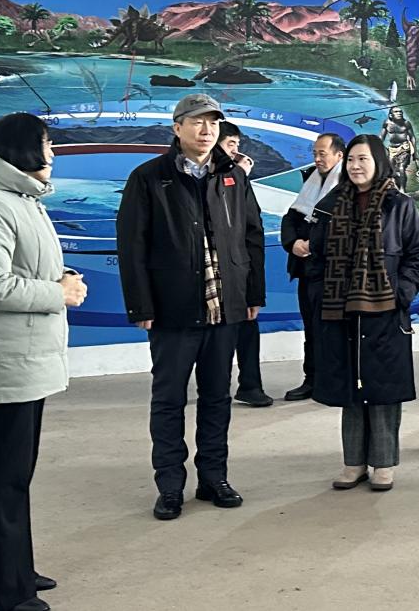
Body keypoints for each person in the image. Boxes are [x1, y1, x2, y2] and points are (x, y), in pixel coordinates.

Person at [117, 94, 266, 521]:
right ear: (177, 127)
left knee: (217, 397)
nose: (206, 130)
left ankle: (214, 478)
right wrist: (140, 305)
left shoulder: (233, 176)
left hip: (225, 308)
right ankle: (170, 486)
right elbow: (132, 244)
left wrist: (252, 294)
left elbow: (252, 235)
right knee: (168, 401)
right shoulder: (149, 177)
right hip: (172, 310)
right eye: (197, 122)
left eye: (213, 123)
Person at [0, 113, 87, 611]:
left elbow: (26, 267)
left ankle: (10, 568)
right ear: (22, 148)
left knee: (16, 474)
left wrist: (62, 277)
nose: (52, 152)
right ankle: (3, 593)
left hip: (28, 355)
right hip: (8, 358)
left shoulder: (22, 200)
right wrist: (58, 292)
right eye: (46, 143)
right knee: (6, 476)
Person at [306, 134, 419, 491]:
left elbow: (417, 253)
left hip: (385, 311)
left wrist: (402, 292)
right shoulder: (331, 204)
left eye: (363, 159)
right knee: (350, 388)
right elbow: (316, 254)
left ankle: (384, 463)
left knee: (383, 388)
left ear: (378, 162)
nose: (356, 166)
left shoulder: (399, 204)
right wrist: (321, 293)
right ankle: (354, 463)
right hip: (340, 311)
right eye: (351, 160)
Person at [280, 132, 345, 402]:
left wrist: (314, 244)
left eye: (322, 154)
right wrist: (293, 243)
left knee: (333, 329)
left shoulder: (347, 186)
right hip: (307, 269)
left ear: (339, 155)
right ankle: (312, 379)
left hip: (332, 271)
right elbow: (291, 217)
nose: (317, 159)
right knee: (311, 328)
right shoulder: (311, 180)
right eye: (315, 153)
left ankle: (335, 381)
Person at [217, 121, 270, 408]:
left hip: (241, 270)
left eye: (237, 145)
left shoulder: (239, 179)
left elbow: (253, 233)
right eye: (230, 145)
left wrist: (255, 291)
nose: (235, 152)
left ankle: (250, 385)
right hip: (212, 275)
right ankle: (216, 388)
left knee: (248, 328)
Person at [381, 106, 418, 192]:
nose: (399, 113)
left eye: (400, 112)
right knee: (391, 170)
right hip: (392, 149)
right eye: (396, 112)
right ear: (391, 115)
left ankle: (402, 189)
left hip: (404, 148)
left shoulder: (406, 123)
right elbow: (381, 136)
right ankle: (395, 186)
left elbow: (412, 137)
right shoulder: (386, 123)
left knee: (401, 168)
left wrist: (415, 153)